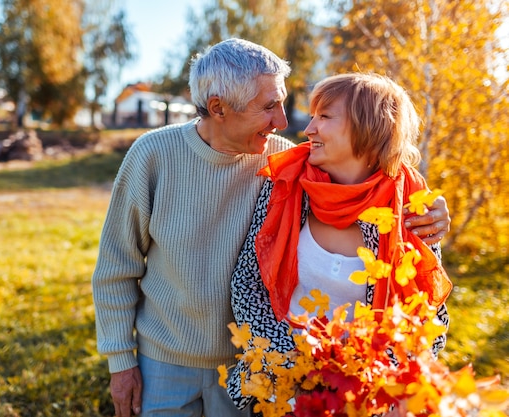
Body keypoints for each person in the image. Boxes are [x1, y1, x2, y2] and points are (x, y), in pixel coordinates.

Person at [92, 39, 450, 417]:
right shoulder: (155, 156)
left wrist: (434, 211)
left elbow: (376, 179)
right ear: (218, 108)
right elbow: (117, 266)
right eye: (268, 107)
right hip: (165, 361)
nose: (284, 122)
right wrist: (120, 361)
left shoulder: (286, 161)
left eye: (282, 103)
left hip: (250, 368)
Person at [227, 72, 453, 414]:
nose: (309, 129)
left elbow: (428, 320)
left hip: (369, 401)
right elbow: (247, 284)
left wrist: (365, 379)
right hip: (284, 394)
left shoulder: (411, 207)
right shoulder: (286, 185)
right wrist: (299, 363)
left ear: (368, 127)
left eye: (325, 116)